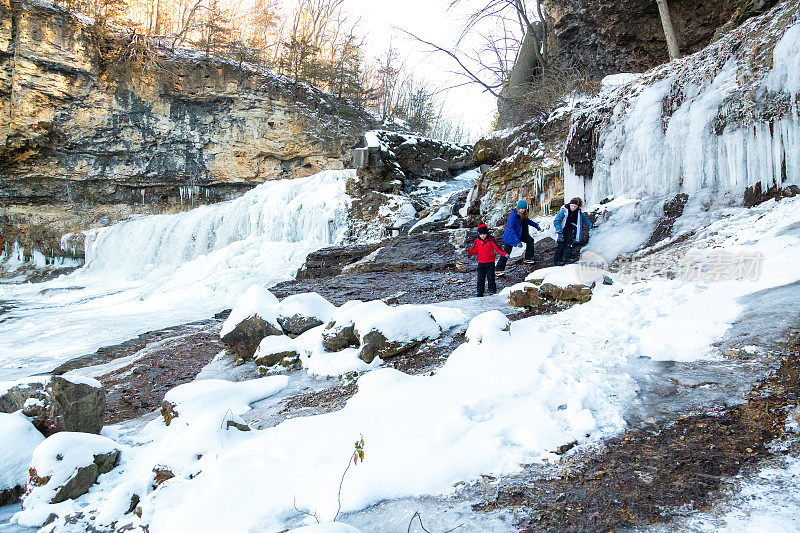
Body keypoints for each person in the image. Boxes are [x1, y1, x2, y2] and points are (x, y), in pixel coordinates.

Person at [495, 200, 542, 277]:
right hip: (511, 236)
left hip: (520, 234)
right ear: (518, 208)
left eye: (524, 208)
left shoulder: (524, 214)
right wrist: (517, 241)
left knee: (530, 240)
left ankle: (528, 258)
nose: (523, 210)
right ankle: (498, 270)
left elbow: (528, 221)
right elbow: (511, 228)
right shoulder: (513, 215)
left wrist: (536, 226)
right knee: (506, 252)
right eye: (522, 208)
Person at [468, 222, 508, 297]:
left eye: (484, 234)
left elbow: (498, 248)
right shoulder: (477, 241)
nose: (483, 236)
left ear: (487, 233)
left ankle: (492, 290)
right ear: (478, 234)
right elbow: (474, 251)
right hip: (481, 263)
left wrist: (504, 254)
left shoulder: (491, 239)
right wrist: (468, 251)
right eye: (481, 234)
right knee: (480, 278)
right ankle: (480, 292)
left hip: (490, 262)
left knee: (491, 277)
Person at [553, 197, 591, 266]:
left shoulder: (578, 212)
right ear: (570, 204)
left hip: (569, 227)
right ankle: (557, 260)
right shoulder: (563, 210)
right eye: (572, 205)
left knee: (569, 241)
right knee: (561, 243)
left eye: (575, 206)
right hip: (561, 227)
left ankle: (567, 257)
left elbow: (584, 219)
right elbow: (557, 221)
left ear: (578, 206)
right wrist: (559, 231)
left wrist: (590, 226)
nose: (573, 207)